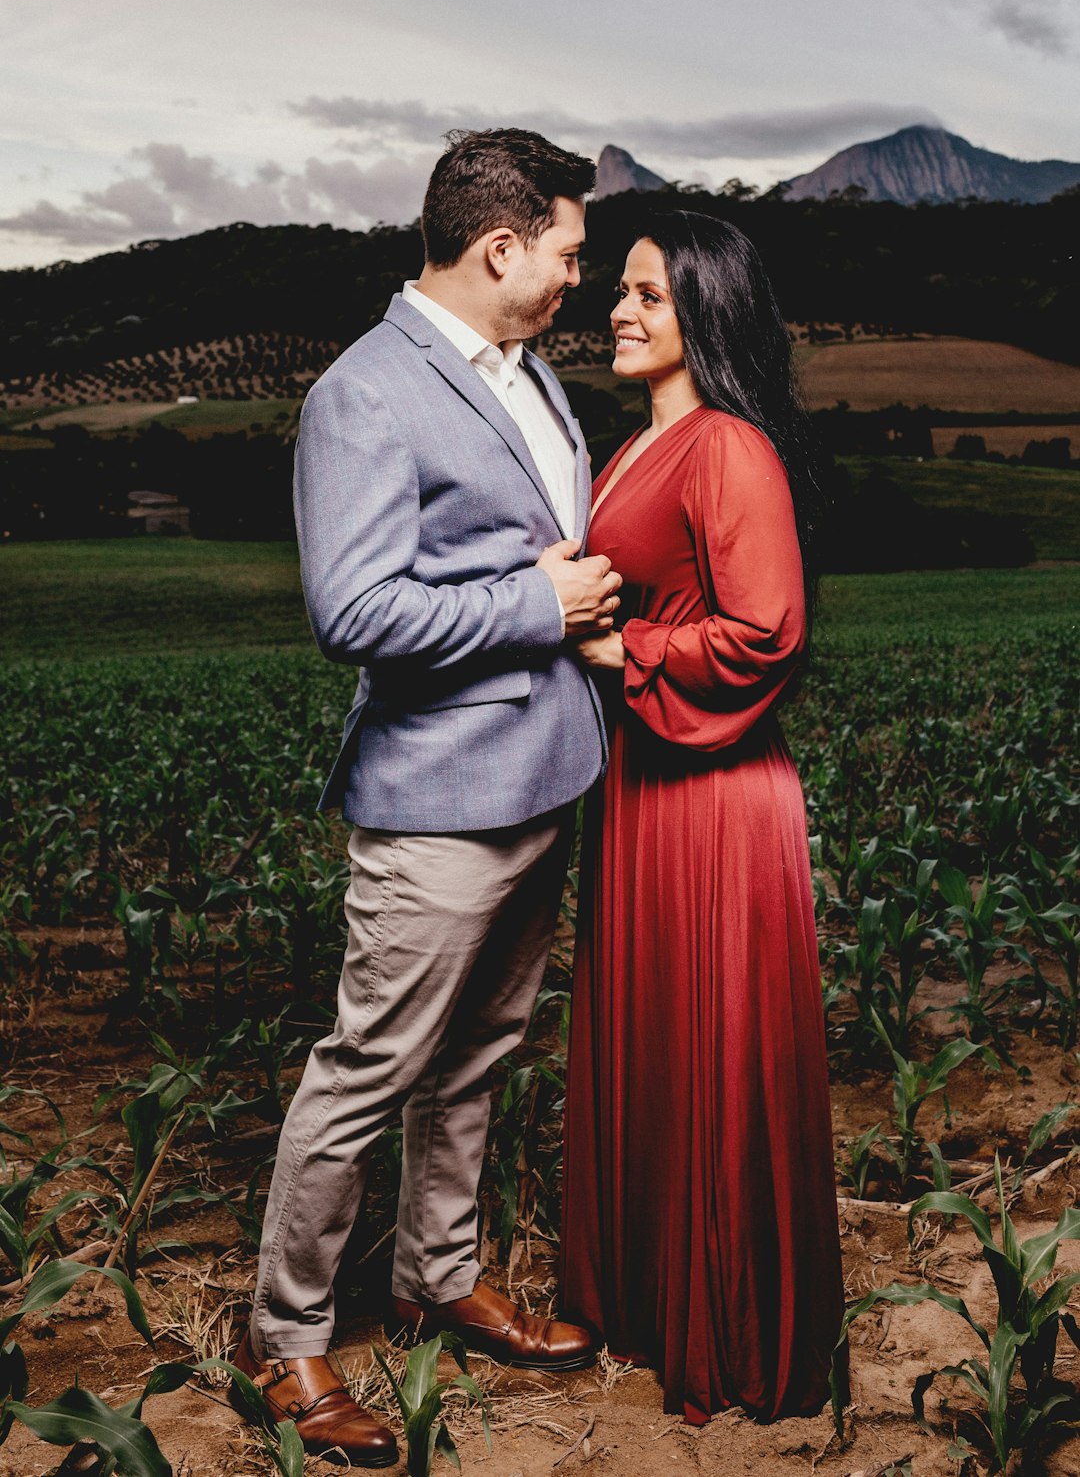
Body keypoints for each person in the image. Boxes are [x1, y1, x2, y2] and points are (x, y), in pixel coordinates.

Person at [234, 128, 623, 1467]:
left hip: (546, 774)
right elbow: (353, 607)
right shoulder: (364, 393)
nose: (581, 277)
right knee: (367, 1073)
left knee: (478, 1058)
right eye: (569, 253)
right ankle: (286, 1344)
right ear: (501, 245)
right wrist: (542, 603)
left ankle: (438, 1277)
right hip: (438, 798)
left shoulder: (530, 373)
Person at [560, 210, 844, 1425]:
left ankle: (726, 1334)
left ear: (703, 314)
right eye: (619, 292)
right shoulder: (632, 449)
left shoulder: (728, 446)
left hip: (717, 799)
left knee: (713, 1052)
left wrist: (625, 647)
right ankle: (648, 1302)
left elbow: (767, 629)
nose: (619, 312)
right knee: (659, 1040)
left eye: (646, 297)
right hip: (642, 788)